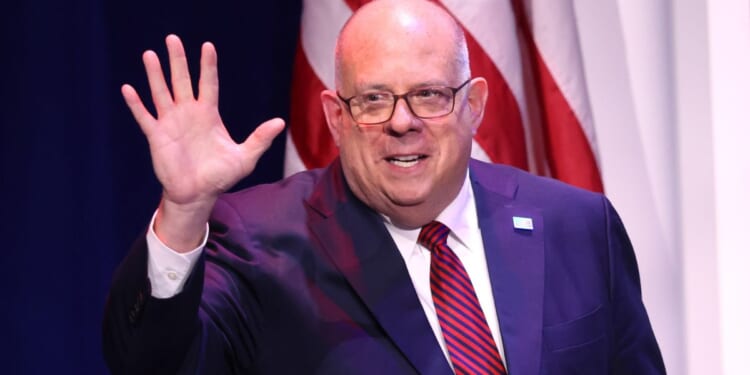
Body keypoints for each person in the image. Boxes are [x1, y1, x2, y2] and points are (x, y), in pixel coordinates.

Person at [103, 0, 666, 374]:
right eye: (372, 99)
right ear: (335, 117)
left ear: (473, 106)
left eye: (428, 95)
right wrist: (183, 212)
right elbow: (152, 364)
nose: (402, 122)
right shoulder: (261, 243)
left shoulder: (578, 226)